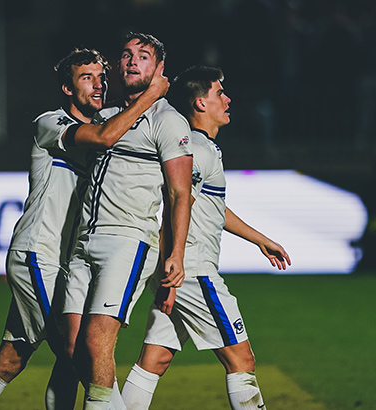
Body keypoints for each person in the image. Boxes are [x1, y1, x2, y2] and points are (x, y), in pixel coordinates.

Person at [0, 48, 169, 410]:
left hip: (67, 263)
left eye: (102, 77)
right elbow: (103, 138)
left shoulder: (107, 126)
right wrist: (150, 96)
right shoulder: (50, 123)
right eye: (86, 78)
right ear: (67, 90)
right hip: (40, 254)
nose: (98, 85)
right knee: (79, 352)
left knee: (11, 360)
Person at [121, 66, 291, 410]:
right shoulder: (196, 150)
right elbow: (175, 203)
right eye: (219, 94)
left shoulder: (204, 149)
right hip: (192, 271)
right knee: (241, 360)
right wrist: (176, 265)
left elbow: (213, 206)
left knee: (154, 361)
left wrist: (260, 239)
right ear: (200, 103)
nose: (227, 100)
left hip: (179, 269)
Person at [61, 32, 194, 410]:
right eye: (126, 55)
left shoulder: (169, 121)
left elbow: (180, 193)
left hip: (128, 239)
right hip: (85, 240)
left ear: (160, 68)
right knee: (74, 347)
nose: (132, 61)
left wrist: (176, 254)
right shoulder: (106, 117)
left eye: (144, 56)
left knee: (96, 341)